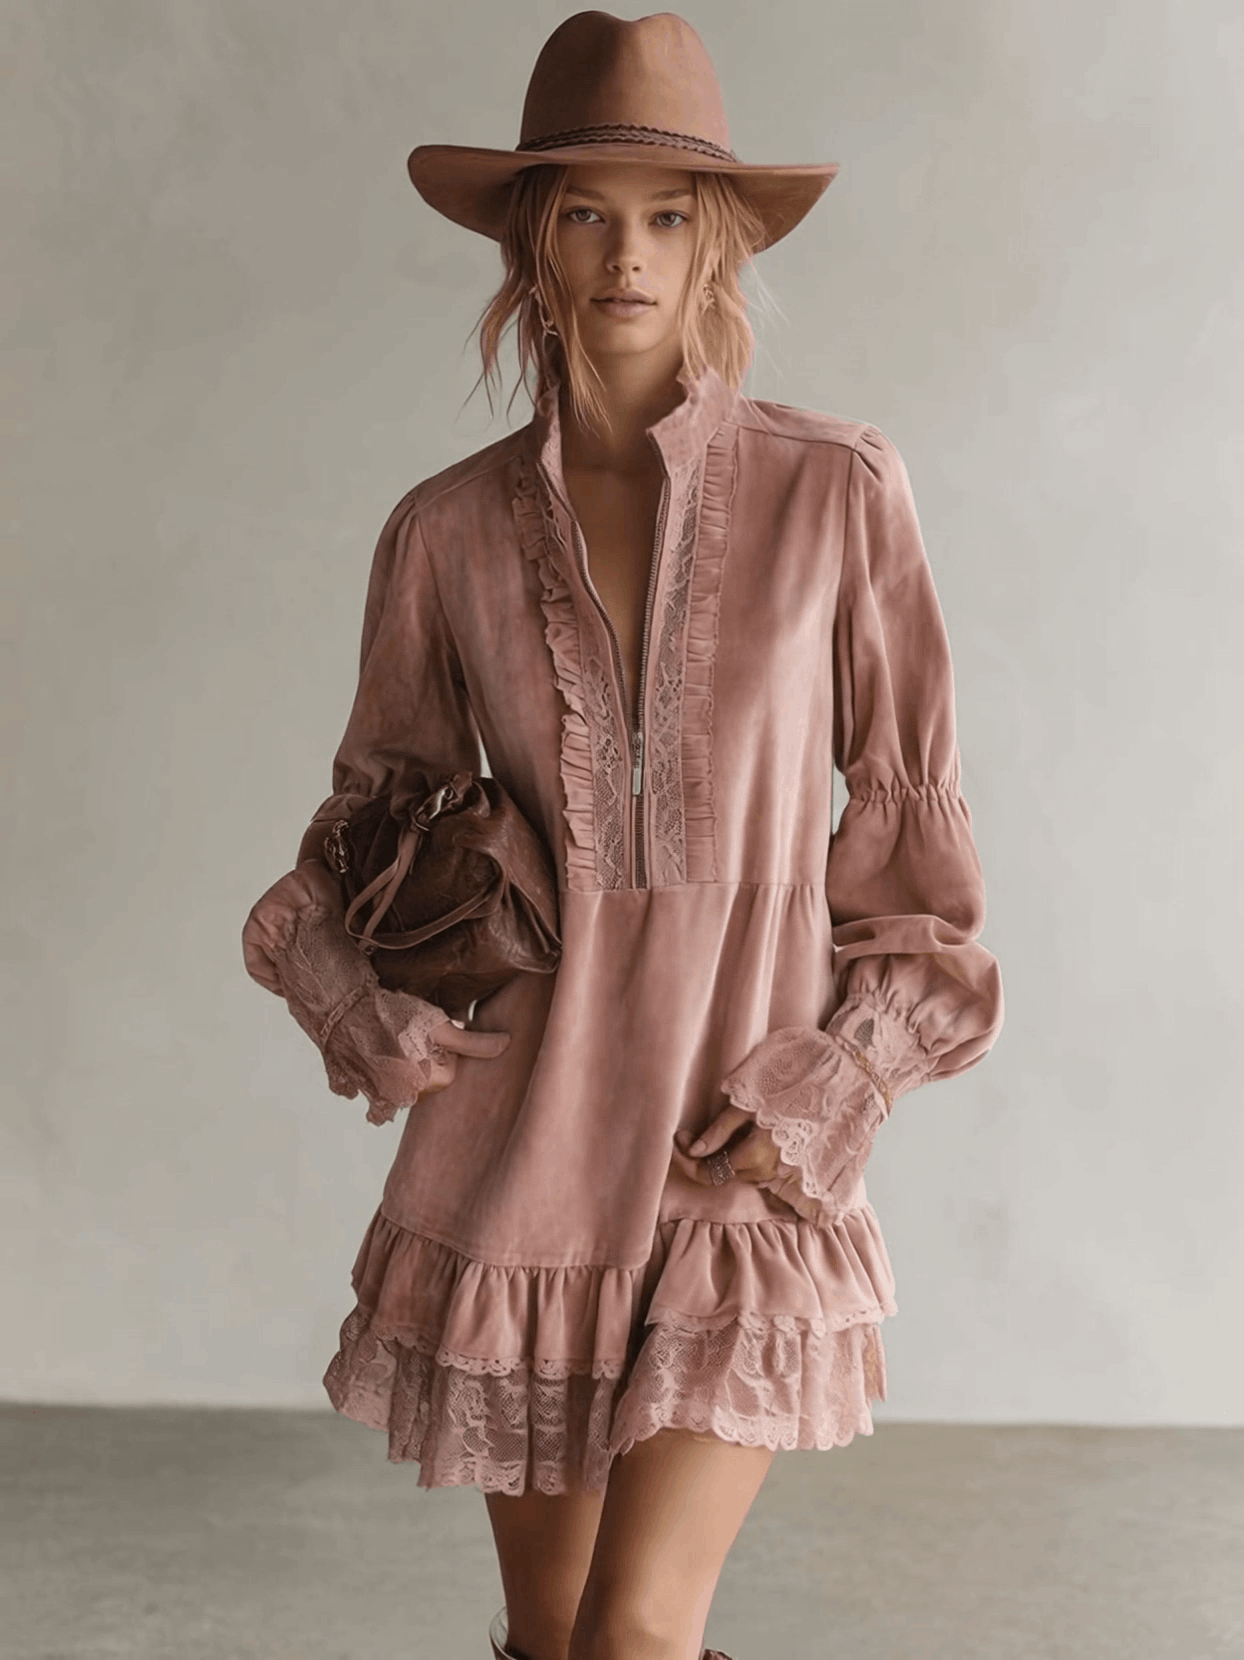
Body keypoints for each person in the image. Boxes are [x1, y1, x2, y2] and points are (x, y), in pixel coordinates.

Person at [241, 13, 1004, 1660]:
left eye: (666, 214)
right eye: (585, 212)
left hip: (736, 1151)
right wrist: (358, 1004)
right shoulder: (445, 530)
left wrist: (839, 1080)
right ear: (533, 241)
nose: (627, 254)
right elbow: (367, 836)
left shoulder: (838, 492)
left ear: (717, 239)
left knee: (639, 1632)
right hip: (525, 1158)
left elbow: (922, 889)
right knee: (557, 1638)